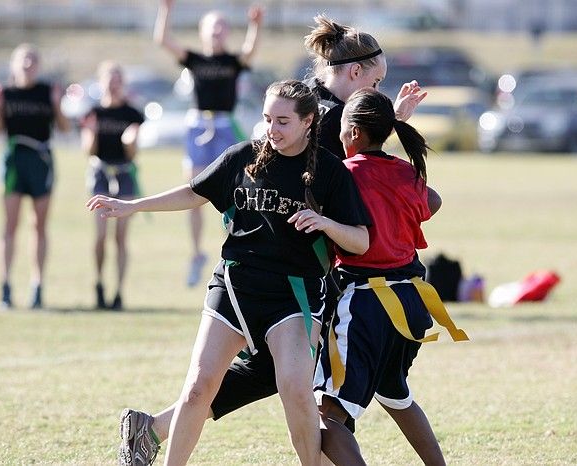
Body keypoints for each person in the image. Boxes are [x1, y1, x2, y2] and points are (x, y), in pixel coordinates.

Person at [115, 15, 444, 466]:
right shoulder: (326, 121)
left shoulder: (325, 112)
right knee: (289, 381)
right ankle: (155, 428)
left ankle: (154, 428)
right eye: (378, 82)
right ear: (354, 72)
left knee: (278, 375)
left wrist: (387, 126)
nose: (377, 93)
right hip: (291, 274)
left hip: (300, 272)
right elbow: (263, 168)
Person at [88, 79, 370, 466]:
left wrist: (325, 223)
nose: (273, 129)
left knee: (296, 390)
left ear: (309, 121)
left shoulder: (329, 171)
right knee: (198, 388)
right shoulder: (244, 156)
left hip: (292, 296)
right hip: (234, 288)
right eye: (268, 119)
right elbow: (194, 192)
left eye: (284, 121)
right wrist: (134, 205)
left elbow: (360, 240)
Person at [314, 87, 468, 466]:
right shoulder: (402, 170)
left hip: (367, 304)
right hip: (412, 301)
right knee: (395, 394)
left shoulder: (344, 174)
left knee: (327, 415)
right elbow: (432, 200)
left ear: (351, 133)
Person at [154, 0, 264, 287]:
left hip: (226, 126)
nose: (216, 31)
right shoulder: (195, 60)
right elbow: (163, 40)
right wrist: (166, 10)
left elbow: (250, 52)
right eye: (211, 27)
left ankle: (236, 248)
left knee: (236, 191)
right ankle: (196, 254)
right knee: (194, 190)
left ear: (226, 32)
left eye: (221, 26)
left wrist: (255, 25)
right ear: (203, 32)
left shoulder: (231, 62)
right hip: (198, 126)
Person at [0, 43, 70, 309]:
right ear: (13, 65)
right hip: (14, 161)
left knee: (39, 226)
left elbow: (65, 128)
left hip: (40, 161)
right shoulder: (6, 92)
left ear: (38, 65)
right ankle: (6, 286)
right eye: (23, 60)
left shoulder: (47, 92)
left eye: (33, 60)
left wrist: (58, 105)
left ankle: (37, 286)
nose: (28, 64)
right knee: (10, 226)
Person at [80, 61, 145, 310]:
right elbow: (88, 150)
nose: (114, 84)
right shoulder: (93, 112)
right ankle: (98, 283)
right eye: (109, 78)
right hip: (100, 174)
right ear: (101, 82)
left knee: (120, 237)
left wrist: (130, 141)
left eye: (118, 79)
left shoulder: (132, 113)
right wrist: (93, 133)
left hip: (124, 174)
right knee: (100, 236)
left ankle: (118, 291)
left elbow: (133, 152)